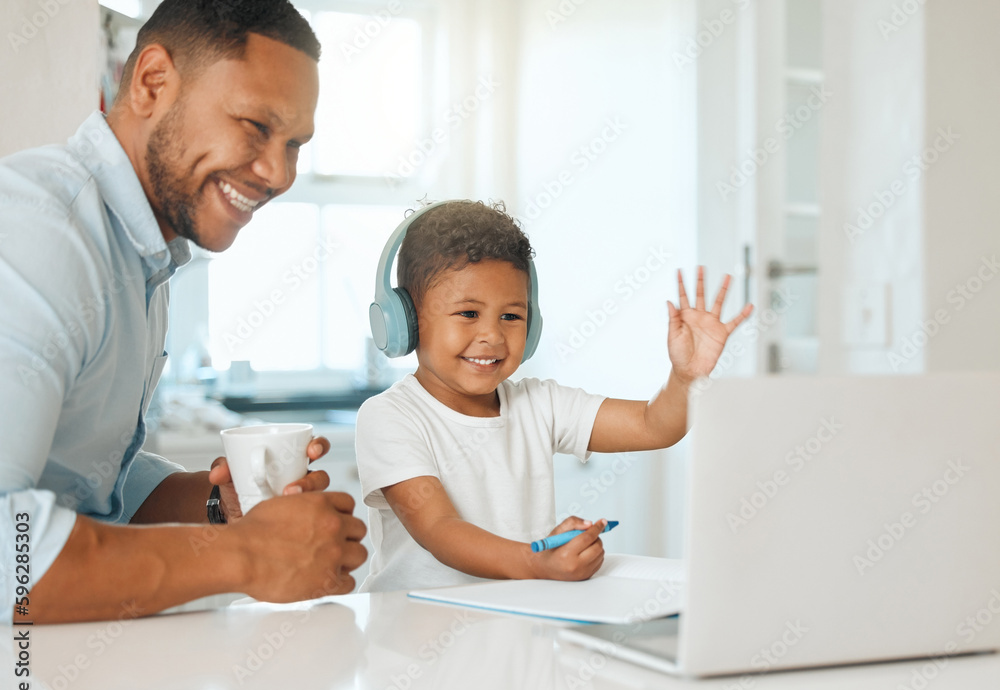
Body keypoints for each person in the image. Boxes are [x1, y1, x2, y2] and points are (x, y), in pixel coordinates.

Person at [0, 0, 366, 625]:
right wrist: (245, 555)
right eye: (254, 124)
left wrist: (217, 504)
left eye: (295, 144)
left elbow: (84, 483)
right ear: (152, 83)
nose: (278, 173)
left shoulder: (145, 251)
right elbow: (13, 553)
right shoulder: (41, 236)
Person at [354, 200, 753, 592]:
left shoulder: (538, 404)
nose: (492, 335)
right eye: (468, 313)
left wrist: (685, 379)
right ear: (407, 320)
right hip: (414, 634)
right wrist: (536, 561)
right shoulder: (390, 416)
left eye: (511, 316)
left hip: (512, 626)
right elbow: (439, 530)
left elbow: (653, 426)